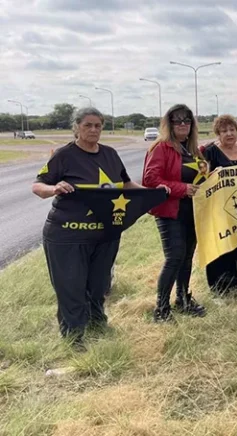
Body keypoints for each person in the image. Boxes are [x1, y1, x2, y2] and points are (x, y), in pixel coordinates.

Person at [32, 107, 160, 349]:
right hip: (67, 235)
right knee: (71, 287)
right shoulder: (64, 156)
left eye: (97, 126)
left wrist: (152, 194)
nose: (93, 130)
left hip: (105, 234)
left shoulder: (110, 154)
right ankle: (74, 336)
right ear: (77, 128)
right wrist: (54, 188)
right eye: (87, 125)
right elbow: (38, 186)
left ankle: (97, 322)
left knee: (99, 285)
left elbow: (125, 183)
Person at [143, 104, 207, 322]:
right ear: (168, 124)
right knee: (174, 257)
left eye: (186, 120)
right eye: (177, 120)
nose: (182, 124)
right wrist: (183, 188)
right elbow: (151, 180)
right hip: (170, 211)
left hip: (192, 212)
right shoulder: (160, 148)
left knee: (187, 257)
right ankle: (161, 309)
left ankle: (183, 300)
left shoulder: (193, 149)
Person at [199, 115, 237, 299]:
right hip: (219, 210)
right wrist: (211, 175)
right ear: (218, 133)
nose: (229, 134)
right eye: (224, 131)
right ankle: (219, 290)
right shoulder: (209, 152)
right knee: (222, 248)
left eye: (232, 130)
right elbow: (201, 179)